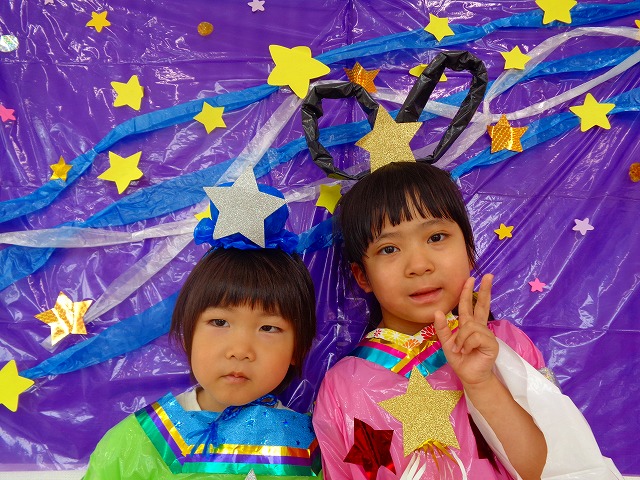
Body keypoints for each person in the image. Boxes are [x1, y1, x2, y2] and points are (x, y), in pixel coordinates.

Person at [313, 161, 622, 480]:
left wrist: (482, 383)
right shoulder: (342, 386)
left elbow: (550, 469)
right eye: (389, 248)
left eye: (436, 237)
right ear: (362, 275)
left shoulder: (506, 345)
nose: (419, 265)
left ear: (469, 250)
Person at [84, 176, 321, 479]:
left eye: (268, 328)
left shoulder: (312, 452)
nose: (240, 351)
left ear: (297, 349)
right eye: (219, 322)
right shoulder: (136, 442)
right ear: (188, 334)